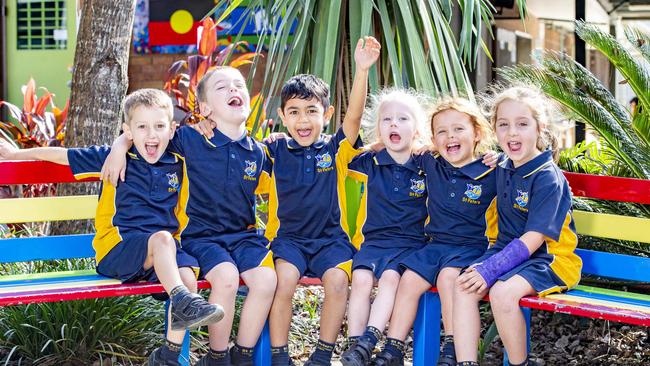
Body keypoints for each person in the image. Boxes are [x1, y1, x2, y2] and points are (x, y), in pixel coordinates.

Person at [0, 89, 224, 365]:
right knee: (165, 242)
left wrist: (205, 123)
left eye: (159, 126)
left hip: (158, 258)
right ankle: (182, 300)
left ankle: (167, 355)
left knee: (187, 278)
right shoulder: (112, 157)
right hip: (116, 251)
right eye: (141, 127)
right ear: (128, 131)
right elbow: (63, 155)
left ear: (172, 130)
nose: (151, 135)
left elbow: (210, 141)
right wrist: (16, 153)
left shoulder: (178, 161)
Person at [101, 69, 277, 366]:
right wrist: (121, 144)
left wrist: (281, 139)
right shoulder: (189, 140)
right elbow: (150, 133)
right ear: (205, 108)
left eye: (239, 85)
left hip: (244, 238)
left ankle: (243, 355)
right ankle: (218, 357)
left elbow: (291, 174)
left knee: (267, 280)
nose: (234, 89)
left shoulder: (259, 152)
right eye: (222, 87)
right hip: (201, 238)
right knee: (227, 278)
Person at [453, 86, 582, 366]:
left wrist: (491, 268)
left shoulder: (549, 178)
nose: (512, 133)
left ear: (540, 128)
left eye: (522, 124)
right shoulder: (502, 165)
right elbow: (456, 160)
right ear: (494, 130)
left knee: (502, 292)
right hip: (507, 254)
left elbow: (535, 239)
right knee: (461, 284)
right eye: (504, 125)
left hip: (550, 259)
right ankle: (465, 362)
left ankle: (519, 363)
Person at [369, 97, 499, 366]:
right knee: (409, 281)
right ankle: (393, 348)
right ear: (433, 140)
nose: (450, 136)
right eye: (441, 131)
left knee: (449, 278)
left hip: (471, 247)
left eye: (458, 129)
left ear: (476, 133)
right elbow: (397, 143)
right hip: (435, 246)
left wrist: (499, 157)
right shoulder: (431, 163)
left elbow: (526, 166)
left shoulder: (491, 171)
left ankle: (453, 345)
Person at [340, 88, 430, 366]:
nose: (394, 123)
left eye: (403, 119)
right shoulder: (368, 162)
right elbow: (346, 144)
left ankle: (370, 339)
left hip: (411, 245)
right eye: (386, 119)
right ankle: (356, 348)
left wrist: (433, 146)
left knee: (392, 279)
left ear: (417, 130)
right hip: (374, 243)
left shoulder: (427, 163)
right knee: (362, 281)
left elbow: (458, 153)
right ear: (378, 129)